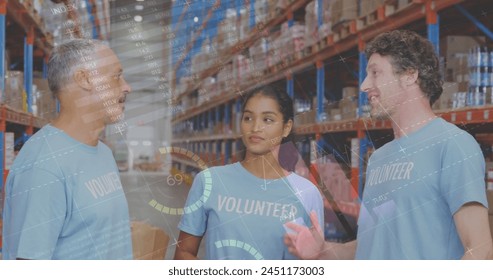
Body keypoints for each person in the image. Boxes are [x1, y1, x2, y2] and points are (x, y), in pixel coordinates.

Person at [284, 30, 493, 260]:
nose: (364, 85)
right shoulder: (378, 159)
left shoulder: (452, 145)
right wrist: (324, 251)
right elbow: (370, 246)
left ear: (409, 75)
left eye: (375, 73)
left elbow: (480, 250)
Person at [2, 39, 133, 259]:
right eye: (117, 76)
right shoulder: (44, 166)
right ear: (84, 79)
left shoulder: (103, 153)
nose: (127, 86)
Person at [174, 86, 324, 260]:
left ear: (286, 128)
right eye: (248, 118)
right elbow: (184, 253)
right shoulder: (209, 182)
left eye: (267, 119)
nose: (255, 127)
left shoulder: (306, 193)